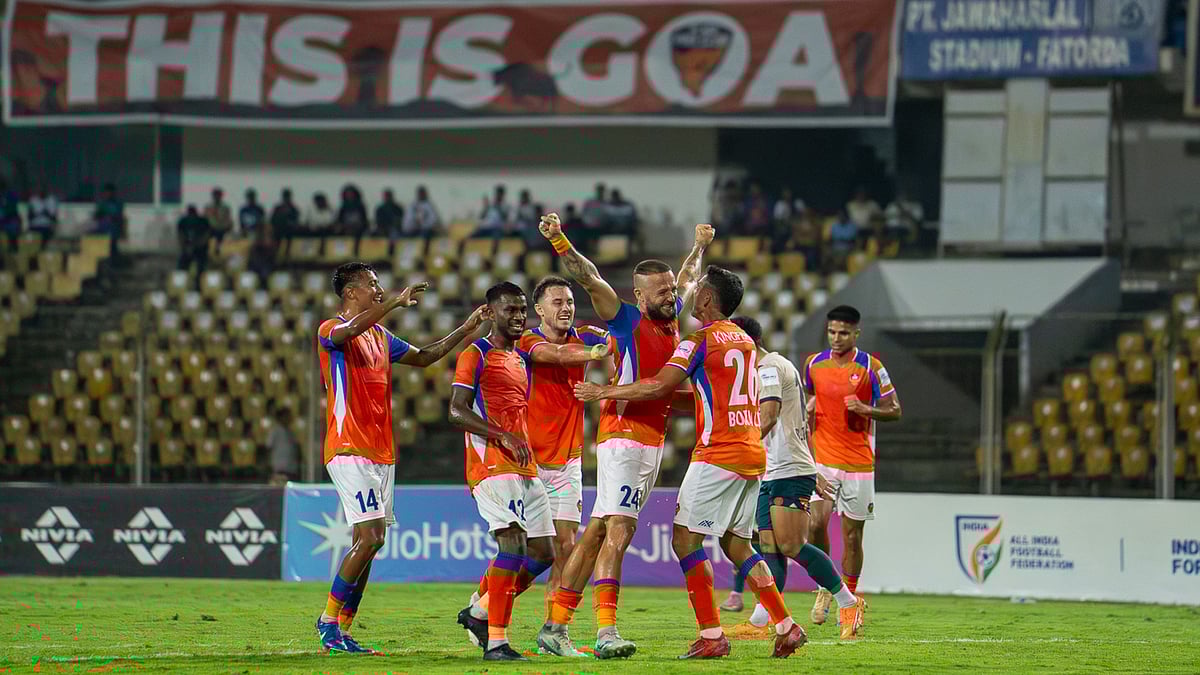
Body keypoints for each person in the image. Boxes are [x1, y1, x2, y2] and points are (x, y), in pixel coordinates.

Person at [573, 266, 807, 659]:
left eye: (697, 290)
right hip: (752, 453)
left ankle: (712, 635)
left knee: (684, 539)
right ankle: (786, 626)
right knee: (738, 544)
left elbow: (660, 385)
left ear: (707, 300)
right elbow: (697, 396)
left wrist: (604, 391)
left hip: (718, 453)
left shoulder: (698, 341)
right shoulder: (747, 343)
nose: (689, 294)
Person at [538, 215, 712, 659]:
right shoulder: (626, 318)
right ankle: (605, 631)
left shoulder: (673, 320)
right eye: (661, 292)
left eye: (671, 290)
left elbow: (690, 277)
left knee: (597, 530)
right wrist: (558, 239)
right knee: (619, 528)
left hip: (648, 440)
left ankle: (556, 625)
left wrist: (698, 246)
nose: (671, 296)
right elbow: (588, 275)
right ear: (638, 295)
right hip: (625, 435)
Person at [314, 262, 486, 655]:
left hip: (381, 451)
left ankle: (343, 627)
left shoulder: (379, 335)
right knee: (372, 535)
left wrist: (467, 329)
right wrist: (392, 303)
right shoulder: (331, 330)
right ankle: (327, 622)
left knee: (371, 541)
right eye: (372, 284)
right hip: (348, 445)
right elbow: (350, 330)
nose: (378, 288)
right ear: (351, 292)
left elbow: (425, 356)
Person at [451, 281, 612, 661]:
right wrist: (501, 435)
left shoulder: (517, 359)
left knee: (544, 552)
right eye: (511, 309)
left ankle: (481, 610)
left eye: (520, 309)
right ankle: (497, 641)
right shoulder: (484, 353)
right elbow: (456, 410)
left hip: (535, 465)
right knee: (513, 547)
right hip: (494, 463)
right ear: (491, 313)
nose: (517, 316)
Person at [720, 316, 866, 640]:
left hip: (787, 469)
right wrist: (812, 468)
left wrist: (734, 450)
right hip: (776, 469)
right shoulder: (774, 366)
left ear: (746, 341)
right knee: (768, 547)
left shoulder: (768, 367)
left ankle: (849, 602)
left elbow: (769, 417)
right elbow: (799, 423)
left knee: (791, 544)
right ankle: (761, 621)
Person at [805, 305, 901, 625]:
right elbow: (810, 398)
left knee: (851, 538)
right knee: (815, 524)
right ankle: (824, 586)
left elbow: (895, 410)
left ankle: (850, 600)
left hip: (859, 463)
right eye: (831, 332)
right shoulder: (813, 365)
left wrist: (864, 408)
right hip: (823, 460)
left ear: (856, 334)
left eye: (843, 333)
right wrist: (809, 408)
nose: (836, 338)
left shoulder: (872, 367)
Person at [176, 205, 211, 277]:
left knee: (201, 267)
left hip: (200, 248)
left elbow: (206, 236)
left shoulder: (202, 221)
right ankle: (182, 281)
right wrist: (185, 247)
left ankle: (198, 282)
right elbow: (181, 236)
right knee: (182, 266)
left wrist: (196, 245)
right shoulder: (183, 222)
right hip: (188, 248)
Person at [268, 407, 300, 484]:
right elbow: (268, 447)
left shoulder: (290, 432)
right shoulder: (275, 430)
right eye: (287, 416)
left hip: (291, 468)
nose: (289, 418)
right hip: (279, 468)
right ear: (280, 417)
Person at [93, 183, 125, 260]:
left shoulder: (117, 204)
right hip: (102, 229)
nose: (107, 194)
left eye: (109, 192)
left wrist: (110, 217)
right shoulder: (102, 204)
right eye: (106, 192)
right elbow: (96, 216)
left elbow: (118, 217)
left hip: (112, 230)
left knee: (111, 246)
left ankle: (112, 261)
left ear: (113, 193)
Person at [270, 189, 300, 258]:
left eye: (287, 196)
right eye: (285, 196)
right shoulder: (278, 208)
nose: (286, 198)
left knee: (290, 234)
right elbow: (272, 220)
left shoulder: (293, 208)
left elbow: (296, 221)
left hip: (289, 231)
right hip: (278, 230)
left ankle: (287, 254)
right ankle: (275, 254)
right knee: (275, 236)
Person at [204, 188, 233, 255]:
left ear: (221, 196)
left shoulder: (225, 207)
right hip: (210, 229)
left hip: (222, 230)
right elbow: (205, 219)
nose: (216, 197)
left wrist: (226, 227)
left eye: (218, 195)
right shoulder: (208, 207)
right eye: (215, 195)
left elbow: (228, 220)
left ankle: (218, 250)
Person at [1, 181, 24, 253]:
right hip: (5, 221)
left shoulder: (11, 194)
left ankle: (13, 249)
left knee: (13, 230)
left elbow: (14, 209)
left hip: (11, 220)